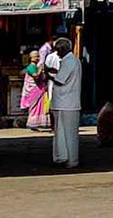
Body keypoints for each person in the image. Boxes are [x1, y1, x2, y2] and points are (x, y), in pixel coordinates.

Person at [46, 36, 81, 169]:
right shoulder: (71, 61)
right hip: (65, 103)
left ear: (63, 49)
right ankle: (64, 158)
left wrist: (48, 75)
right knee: (63, 132)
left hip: (67, 103)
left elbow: (61, 80)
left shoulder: (69, 61)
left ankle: (71, 160)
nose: (57, 53)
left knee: (68, 133)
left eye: (58, 50)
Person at [20, 50, 50, 129]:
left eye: (38, 56)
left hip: (39, 89)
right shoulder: (31, 67)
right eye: (36, 56)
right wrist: (40, 69)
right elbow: (36, 76)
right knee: (34, 107)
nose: (38, 58)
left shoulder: (36, 66)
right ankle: (32, 123)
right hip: (34, 90)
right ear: (31, 58)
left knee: (40, 106)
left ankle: (39, 122)